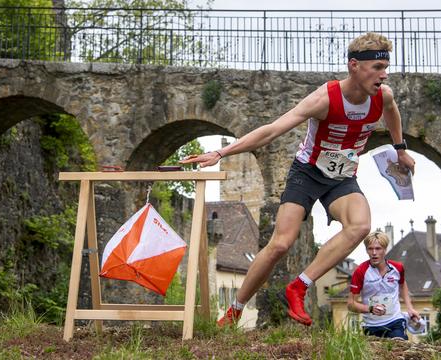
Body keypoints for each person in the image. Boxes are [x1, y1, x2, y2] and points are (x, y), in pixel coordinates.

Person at [180, 32, 416, 327]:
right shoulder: (324, 99)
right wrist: (221, 151)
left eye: (386, 68)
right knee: (281, 244)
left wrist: (400, 149)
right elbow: (271, 130)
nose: (384, 75)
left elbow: (392, 113)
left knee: (360, 225)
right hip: (307, 172)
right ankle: (235, 309)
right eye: (377, 69)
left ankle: (299, 285)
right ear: (354, 65)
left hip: (342, 177)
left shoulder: (384, 96)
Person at [347, 231, 421, 339]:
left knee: (399, 349)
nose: (374, 253)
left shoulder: (397, 268)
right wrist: (371, 309)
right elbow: (350, 304)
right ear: (366, 250)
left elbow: (402, 285)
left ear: (385, 250)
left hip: (395, 321)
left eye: (378, 248)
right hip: (371, 325)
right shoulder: (360, 271)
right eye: (370, 249)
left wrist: (410, 308)